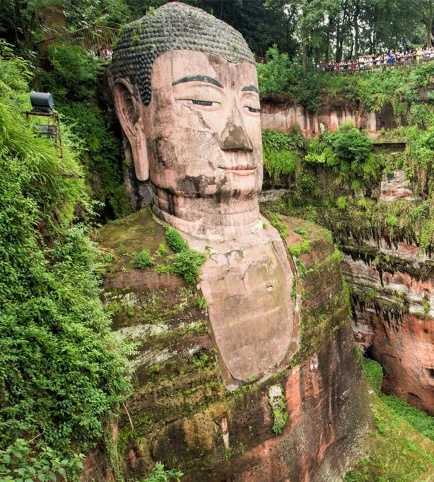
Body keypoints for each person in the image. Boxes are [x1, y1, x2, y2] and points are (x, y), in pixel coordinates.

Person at [110, 2, 297, 386]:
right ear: (132, 114)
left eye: (250, 106)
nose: (239, 136)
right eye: (203, 101)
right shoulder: (115, 287)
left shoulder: (308, 247)